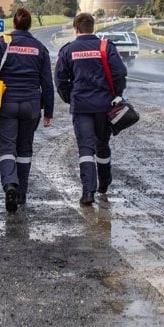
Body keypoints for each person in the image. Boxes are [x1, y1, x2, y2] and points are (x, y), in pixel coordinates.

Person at [0, 6, 54, 212]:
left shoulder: (2, 43)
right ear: (30, 25)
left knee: (6, 148)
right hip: (31, 104)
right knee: (24, 149)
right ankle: (21, 193)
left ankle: (10, 184)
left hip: (6, 103)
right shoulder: (39, 47)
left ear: (13, 24)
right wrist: (48, 112)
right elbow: (47, 84)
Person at [55, 13, 127, 205]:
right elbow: (120, 72)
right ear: (92, 27)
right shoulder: (106, 47)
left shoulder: (68, 50)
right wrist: (116, 95)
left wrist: (70, 98)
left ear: (75, 28)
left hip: (81, 106)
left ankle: (88, 192)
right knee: (102, 144)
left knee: (85, 148)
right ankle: (104, 183)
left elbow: (60, 80)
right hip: (105, 106)